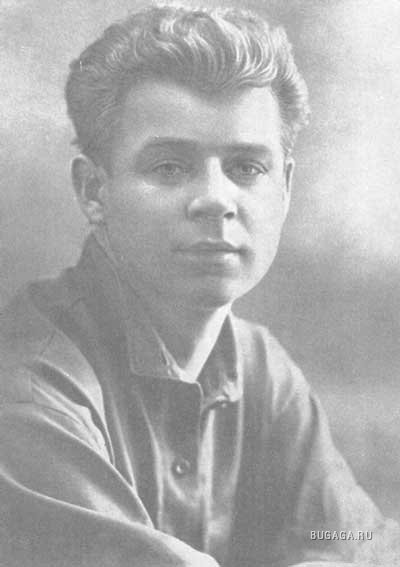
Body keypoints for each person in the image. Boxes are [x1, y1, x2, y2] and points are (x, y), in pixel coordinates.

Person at [0, 4, 398, 566]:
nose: (215, 199)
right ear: (93, 190)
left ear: (284, 188)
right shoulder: (27, 388)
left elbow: (361, 541)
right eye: (169, 167)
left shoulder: (256, 364)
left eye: (246, 168)